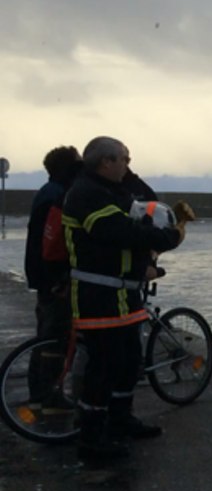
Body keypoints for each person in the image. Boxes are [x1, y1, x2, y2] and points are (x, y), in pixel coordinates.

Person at [62, 137, 186, 462]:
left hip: (124, 294)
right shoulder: (87, 193)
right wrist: (167, 238)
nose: (127, 165)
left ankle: (120, 419)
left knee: (129, 359)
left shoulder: (112, 189)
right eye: (124, 159)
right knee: (102, 366)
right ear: (107, 162)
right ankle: (91, 438)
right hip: (97, 296)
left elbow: (142, 205)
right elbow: (120, 233)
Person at [24, 146, 82, 339]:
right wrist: (60, 277)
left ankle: (39, 368)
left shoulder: (48, 190)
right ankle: (46, 369)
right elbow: (55, 240)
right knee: (55, 334)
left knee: (46, 329)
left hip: (41, 273)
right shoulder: (58, 196)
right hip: (52, 277)